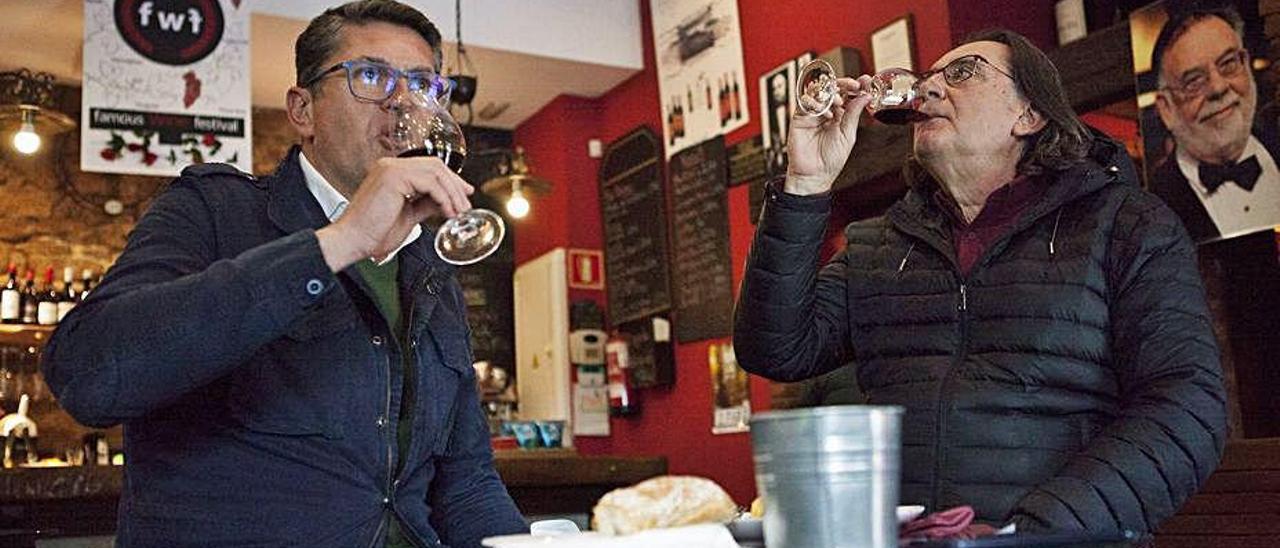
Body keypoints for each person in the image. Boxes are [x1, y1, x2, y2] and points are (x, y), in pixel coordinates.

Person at [41, 1, 527, 546]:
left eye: (422, 85)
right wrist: (338, 242)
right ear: (303, 110)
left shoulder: (430, 266)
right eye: (372, 75)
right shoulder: (215, 209)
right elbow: (89, 376)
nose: (403, 103)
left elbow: (466, 484)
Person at [733, 28, 1227, 535]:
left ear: (1029, 114)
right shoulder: (879, 246)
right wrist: (805, 183)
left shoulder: (1126, 224)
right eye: (926, 79)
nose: (929, 89)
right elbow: (774, 350)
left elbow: (1187, 408)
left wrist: (1035, 533)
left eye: (962, 72)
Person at [1150, 3, 1280, 243]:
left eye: (1228, 63)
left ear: (1247, 65)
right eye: (1194, 81)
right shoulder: (1154, 215)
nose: (1218, 88)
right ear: (1166, 108)